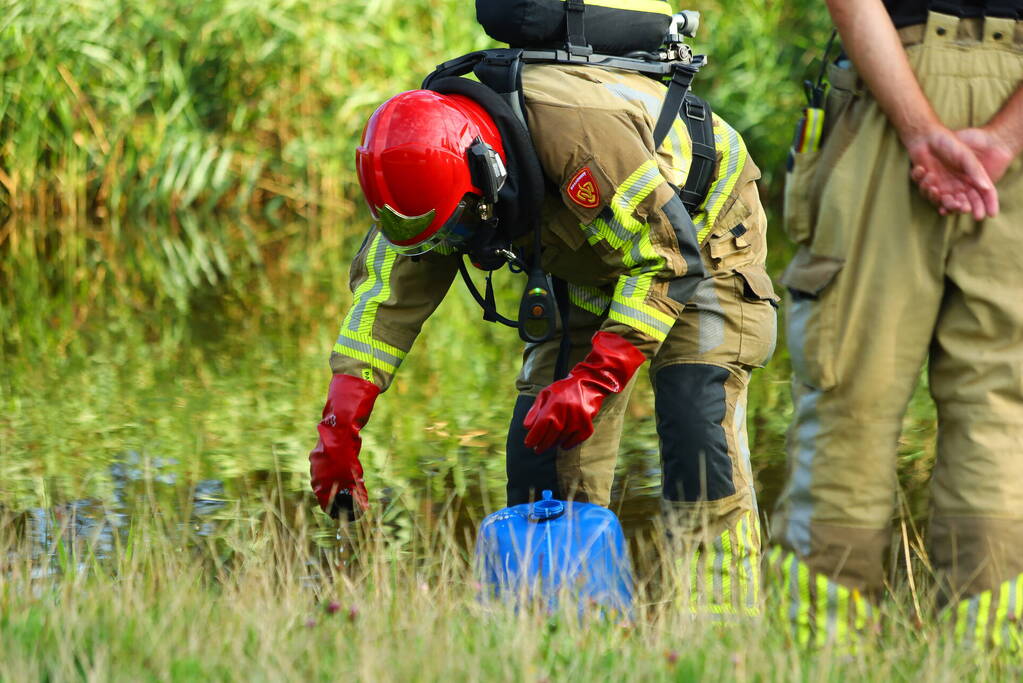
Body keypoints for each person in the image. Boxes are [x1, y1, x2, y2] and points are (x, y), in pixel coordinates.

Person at [309, 54, 779, 616]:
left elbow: (664, 257)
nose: (455, 241)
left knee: (696, 438)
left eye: (462, 226)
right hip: (589, 256)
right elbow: (386, 299)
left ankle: (719, 637)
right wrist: (342, 421)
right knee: (542, 465)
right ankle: (561, 638)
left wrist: (596, 379)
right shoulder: (420, 189)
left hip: (702, 240)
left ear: (487, 173)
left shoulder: (577, 135)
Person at [770, 0, 1023, 648]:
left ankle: (818, 652)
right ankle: (987, 652)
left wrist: (918, 127)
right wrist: (1004, 134)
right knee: (1003, 410)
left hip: (890, 88)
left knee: (849, 393)